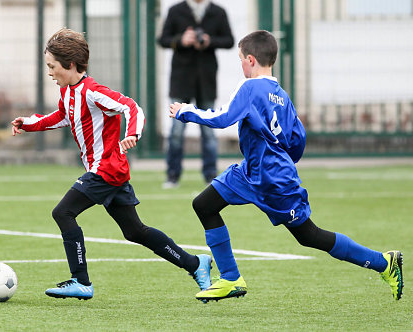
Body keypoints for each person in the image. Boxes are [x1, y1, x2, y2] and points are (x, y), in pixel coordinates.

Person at [169, 30, 404, 303]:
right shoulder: (281, 95)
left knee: (309, 235)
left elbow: (223, 118)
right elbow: (298, 140)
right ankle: (231, 278)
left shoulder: (250, 88)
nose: (241, 65)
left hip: (271, 178)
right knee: (204, 205)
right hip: (254, 173)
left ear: (251, 60)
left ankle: (383, 263)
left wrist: (185, 111)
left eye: (241, 60)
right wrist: (281, 162)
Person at [11, 28, 212, 300]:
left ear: (69, 65)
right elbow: (61, 117)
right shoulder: (69, 92)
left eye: (52, 66)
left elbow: (131, 107)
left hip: (105, 169)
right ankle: (195, 264)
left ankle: (80, 281)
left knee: (63, 213)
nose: (49, 72)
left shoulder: (93, 92)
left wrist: (132, 134)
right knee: (134, 231)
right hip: (109, 172)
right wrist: (28, 123)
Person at [158, 0, 234, 188]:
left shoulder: (218, 11)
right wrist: (181, 40)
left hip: (206, 80)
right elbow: (163, 39)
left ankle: (210, 176)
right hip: (181, 80)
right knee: (176, 132)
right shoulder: (176, 10)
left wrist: (209, 41)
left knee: (208, 131)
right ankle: (172, 176)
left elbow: (229, 40)